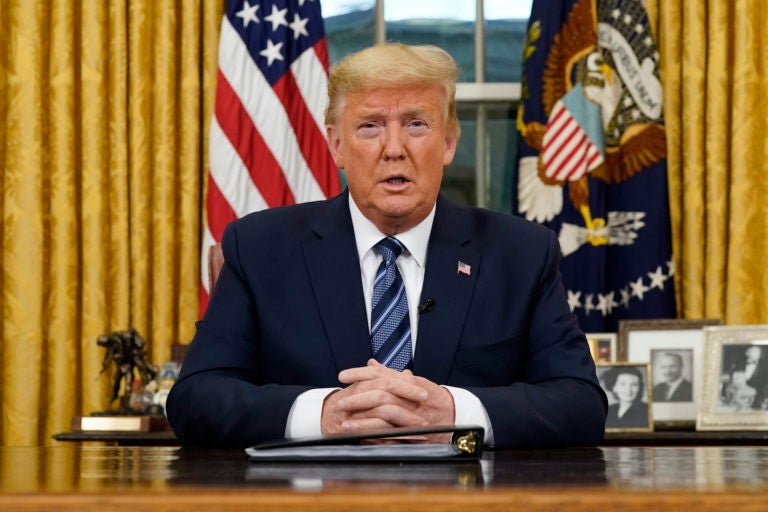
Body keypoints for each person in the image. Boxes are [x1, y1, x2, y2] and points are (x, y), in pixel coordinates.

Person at [166, 43, 607, 449]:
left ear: (449, 142)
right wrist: (325, 415)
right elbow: (195, 399)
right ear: (336, 144)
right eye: (370, 126)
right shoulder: (260, 248)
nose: (394, 148)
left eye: (416, 124)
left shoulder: (521, 253)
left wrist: (453, 413)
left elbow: (580, 404)